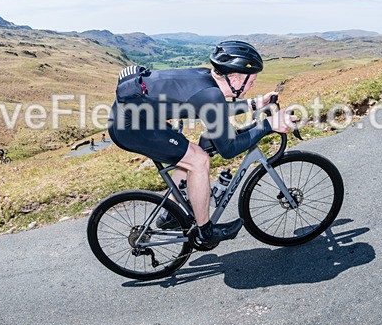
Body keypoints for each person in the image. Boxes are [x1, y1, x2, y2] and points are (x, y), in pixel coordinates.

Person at [107, 41, 297, 249]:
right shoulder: (210, 94)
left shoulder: (206, 77)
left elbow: (216, 107)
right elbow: (229, 149)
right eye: (252, 80)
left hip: (136, 118)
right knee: (199, 160)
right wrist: (269, 124)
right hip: (131, 129)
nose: (253, 85)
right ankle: (205, 231)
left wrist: (255, 103)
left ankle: (169, 215)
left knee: (190, 152)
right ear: (234, 78)